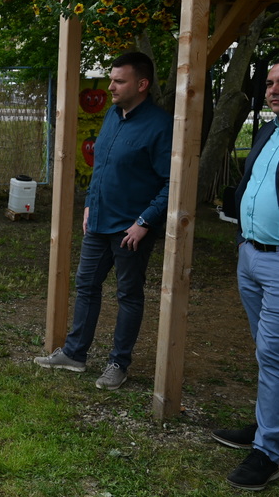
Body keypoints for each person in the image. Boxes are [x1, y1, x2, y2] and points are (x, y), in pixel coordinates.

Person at [34, 51, 172, 390]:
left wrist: (145, 222)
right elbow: (102, 166)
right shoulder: (112, 114)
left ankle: (118, 364)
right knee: (86, 286)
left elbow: (173, 183)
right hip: (98, 221)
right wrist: (89, 205)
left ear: (142, 84)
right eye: (111, 79)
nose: (110, 86)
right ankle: (75, 354)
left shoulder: (161, 125)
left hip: (131, 229)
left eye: (119, 81)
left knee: (128, 295)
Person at [211, 56, 279, 491]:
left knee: (274, 353)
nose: (273, 90)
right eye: (269, 83)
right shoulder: (270, 130)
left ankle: (267, 452)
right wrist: (242, 240)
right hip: (251, 255)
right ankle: (277, 432)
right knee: (271, 353)